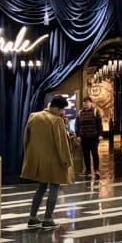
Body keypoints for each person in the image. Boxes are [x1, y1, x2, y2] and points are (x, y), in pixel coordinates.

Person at [21, 96, 73, 229]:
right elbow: (62, 144)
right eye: (62, 110)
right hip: (54, 161)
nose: (62, 113)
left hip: (38, 160)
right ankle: (48, 219)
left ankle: (32, 217)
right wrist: (67, 161)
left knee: (41, 188)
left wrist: (29, 156)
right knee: (54, 187)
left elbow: (26, 139)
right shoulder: (56, 120)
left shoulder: (34, 116)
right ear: (56, 108)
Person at [75, 96, 103, 180]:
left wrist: (100, 134)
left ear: (91, 103)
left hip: (93, 136)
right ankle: (88, 170)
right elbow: (77, 125)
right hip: (84, 137)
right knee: (86, 154)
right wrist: (78, 135)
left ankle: (96, 170)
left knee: (94, 153)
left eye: (87, 103)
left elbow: (99, 124)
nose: (85, 105)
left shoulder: (95, 111)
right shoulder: (80, 113)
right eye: (84, 103)